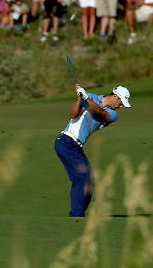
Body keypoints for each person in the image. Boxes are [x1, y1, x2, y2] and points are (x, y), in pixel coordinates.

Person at [54, 84, 130, 218]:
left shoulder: (113, 114)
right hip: (66, 141)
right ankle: (77, 216)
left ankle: (78, 215)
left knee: (90, 180)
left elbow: (101, 113)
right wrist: (79, 98)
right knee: (81, 178)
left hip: (77, 146)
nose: (121, 106)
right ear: (114, 97)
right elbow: (73, 115)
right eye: (121, 103)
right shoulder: (92, 97)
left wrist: (87, 98)